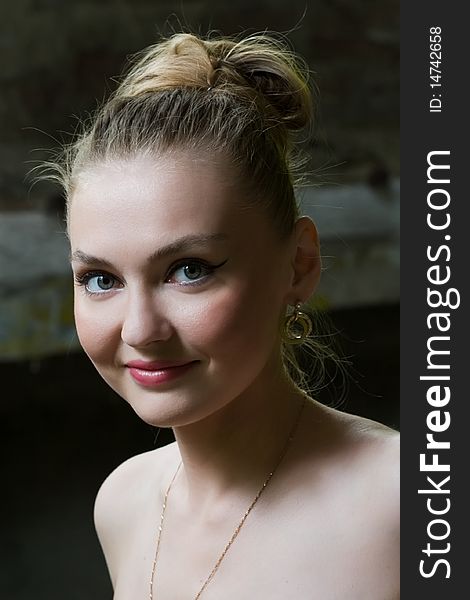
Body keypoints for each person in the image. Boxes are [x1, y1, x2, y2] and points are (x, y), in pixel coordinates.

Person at [53, 31, 399, 599]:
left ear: (299, 264)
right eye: (100, 279)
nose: (140, 329)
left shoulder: (412, 506)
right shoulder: (123, 506)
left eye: (189, 269)